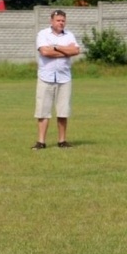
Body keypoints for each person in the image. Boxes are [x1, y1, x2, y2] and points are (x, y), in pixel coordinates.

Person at [32, 9, 80, 149]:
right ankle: (41, 142)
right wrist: (66, 52)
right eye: (58, 20)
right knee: (43, 111)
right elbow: (45, 52)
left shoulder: (69, 35)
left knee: (63, 112)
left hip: (64, 78)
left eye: (63, 20)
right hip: (45, 77)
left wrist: (56, 47)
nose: (61, 23)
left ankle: (62, 141)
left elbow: (76, 51)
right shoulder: (42, 34)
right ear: (51, 21)